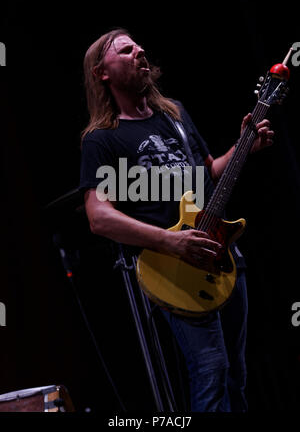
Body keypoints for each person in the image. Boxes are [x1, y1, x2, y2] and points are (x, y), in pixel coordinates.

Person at [79, 28, 274, 412]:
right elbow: (99, 216)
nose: (140, 50)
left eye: (138, 46)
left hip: (221, 256)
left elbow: (207, 173)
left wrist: (241, 147)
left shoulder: (176, 115)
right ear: (102, 72)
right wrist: (172, 242)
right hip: (172, 267)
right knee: (211, 372)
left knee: (236, 374)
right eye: (126, 49)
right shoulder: (102, 139)